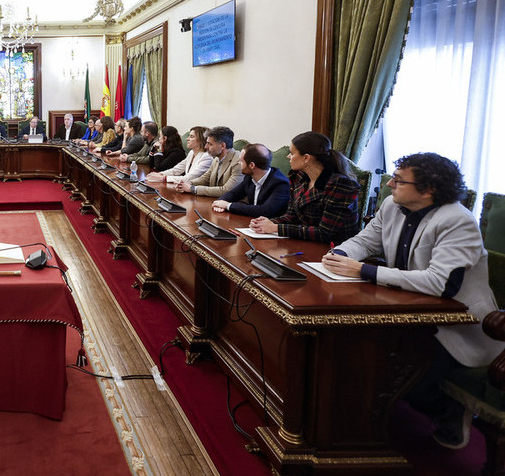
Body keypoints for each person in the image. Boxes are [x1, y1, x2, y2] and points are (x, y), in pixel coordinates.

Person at [322, 153, 505, 449]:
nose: (390, 183)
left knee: (407, 380)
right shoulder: (392, 205)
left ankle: (450, 412)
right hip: (407, 307)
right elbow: (366, 240)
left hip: (458, 324)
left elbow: (440, 283)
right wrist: (341, 255)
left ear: (428, 189)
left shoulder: (458, 220)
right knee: (361, 355)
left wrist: (366, 270)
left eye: (399, 180)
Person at [250, 131, 359, 243]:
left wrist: (276, 228)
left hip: (335, 250)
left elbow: (325, 233)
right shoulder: (299, 176)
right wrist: (268, 223)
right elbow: (292, 216)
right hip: (306, 242)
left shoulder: (341, 184)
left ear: (306, 158)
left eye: (292, 153)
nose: (288, 157)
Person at [212, 143, 289, 217]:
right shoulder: (249, 177)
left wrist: (228, 205)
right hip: (252, 223)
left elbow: (265, 211)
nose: (239, 163)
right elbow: (233, 194)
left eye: (241, 161)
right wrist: (219, 203)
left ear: (252, 165)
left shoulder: (280, 184)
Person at [173, 126, 242, 197]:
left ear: (222, 145)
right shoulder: (216, 159)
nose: (206, 147)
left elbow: (226, 190)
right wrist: (186, 183)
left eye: (210, 144)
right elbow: (205, 179)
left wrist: (193, 189)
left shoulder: (238, 162)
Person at [147, 125, 212, 183]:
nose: (187, 139)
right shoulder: (191, 153)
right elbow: (176, 170)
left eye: (191, 137)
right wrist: (159, 174)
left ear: (201, 140)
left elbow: (188, 178)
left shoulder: (207, 157)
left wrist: (163, 178)